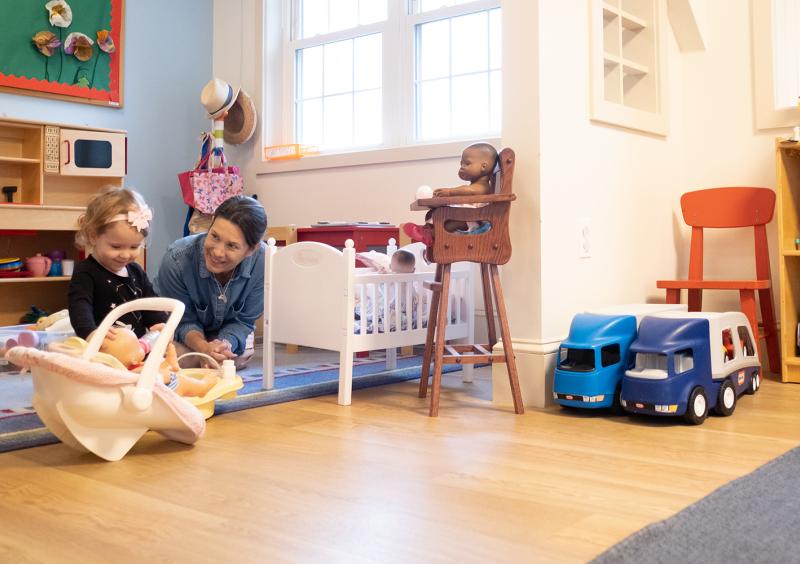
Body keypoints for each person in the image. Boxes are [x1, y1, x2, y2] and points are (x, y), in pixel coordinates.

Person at [155, 195, 267, 368]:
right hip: (180, 332)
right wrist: (203, 348)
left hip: (223, 333)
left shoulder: (264, 262)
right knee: (173, 355)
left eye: (232, 246)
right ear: (212, 222)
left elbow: (243, 321)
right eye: (214, 236)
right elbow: (182, 321)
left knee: (238, 356)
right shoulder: (177, 259)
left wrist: (224, 345)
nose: (218, 252)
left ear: (252, 249)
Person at [68, 187, 167, 343]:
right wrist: (91, 333)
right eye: (116, 247)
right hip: (102, 350)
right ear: (94, 236)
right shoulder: (86, 271)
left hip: (137, 350)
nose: (126, 255)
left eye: (134, 247)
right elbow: (80, 307)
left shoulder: (135, 271)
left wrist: (160, 323)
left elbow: (149, 303)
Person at [403, 142, 499, 246]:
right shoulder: (476, 185)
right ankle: (426, 230)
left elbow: (470, 190)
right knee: (434, 213)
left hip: (473, 221)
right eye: (461, 164)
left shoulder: (483, 186)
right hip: (468, 216)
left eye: (467, 163)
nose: (462, 167)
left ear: (483, 166)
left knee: (451, 222)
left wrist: (450, 192)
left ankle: (432, 234)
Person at [100, 326, 218, 397]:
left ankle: (171, 364)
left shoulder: (116, 370)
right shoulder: (133, 374)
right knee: (182, 381)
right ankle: (203, 386)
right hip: (156, 395)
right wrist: (167, 370)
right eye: (137, 344)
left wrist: (167, 363)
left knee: (165, 370)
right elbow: (158, 375)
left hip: (149, 388)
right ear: (134, 358)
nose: (143, 343)